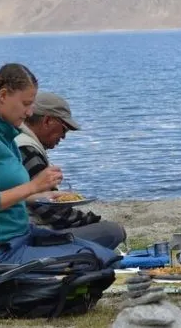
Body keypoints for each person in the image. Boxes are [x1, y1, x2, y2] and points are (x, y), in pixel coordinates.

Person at [0, 63, 119, 267]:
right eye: (26, 104)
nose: (30, 112)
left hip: (20, 236)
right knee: (96, 262)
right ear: (3, 95)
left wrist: (41, 196)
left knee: (106, 255)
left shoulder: (4, 133)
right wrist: (33, 186)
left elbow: (2, 191)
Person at [15, 91, 127, 250]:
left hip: (21, 231)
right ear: (47, 121)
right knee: (113, 231)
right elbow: (50, 210)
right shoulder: (28, 150)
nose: (63, 137)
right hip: (30, 235)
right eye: (64, 129)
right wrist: (91, 220)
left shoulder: (16, 141)